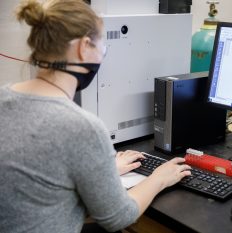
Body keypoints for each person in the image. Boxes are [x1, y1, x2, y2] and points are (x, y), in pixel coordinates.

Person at [0, 0, 191, 233]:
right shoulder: (81, 127)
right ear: (84, 46)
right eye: (104, 46)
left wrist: (104, 170)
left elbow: (38, 176)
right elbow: (118, 217)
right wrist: (159, 177)